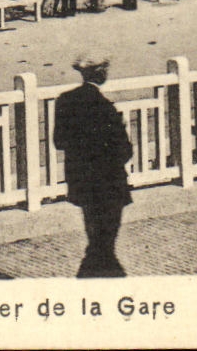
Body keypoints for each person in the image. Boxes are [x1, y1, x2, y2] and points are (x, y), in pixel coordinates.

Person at [53, 55, 133, 278]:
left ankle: (96, 277)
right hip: (109, 181)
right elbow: (124, 151)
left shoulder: (65, 100)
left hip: (81, 179)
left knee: (95, 235)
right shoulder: (105, 107)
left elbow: (59, 141)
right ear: (100, 73)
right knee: (105, 241)